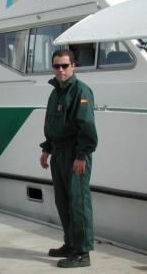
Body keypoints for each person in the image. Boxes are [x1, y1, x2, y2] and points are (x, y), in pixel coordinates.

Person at [40, 49, 98, 268]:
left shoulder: (81, 91)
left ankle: (82, 253)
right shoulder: (55, 93)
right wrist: (46, 148)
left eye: (65, 65)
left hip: (76, 154)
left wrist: (82, 155)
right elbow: (51, 124)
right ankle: (70, 243)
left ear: (74, 66)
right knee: (63, 202)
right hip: (58, 153)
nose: (61, 70)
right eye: (57, 66)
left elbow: (87, 127)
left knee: (78, 203)